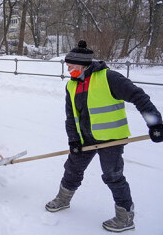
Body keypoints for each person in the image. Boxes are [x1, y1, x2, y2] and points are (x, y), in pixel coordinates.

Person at [45, 40, 163, 232]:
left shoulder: (109, 78)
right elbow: (71, 117)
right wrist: (73, 139)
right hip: (84, 138)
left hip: (111, 138)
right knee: (72, 169)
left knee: (113, 176)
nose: (68, 69)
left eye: (70, 65)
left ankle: (125, 217)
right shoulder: (71, 86)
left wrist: (155, 123)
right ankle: (63, 199)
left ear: (82, 64)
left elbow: (138, 96)